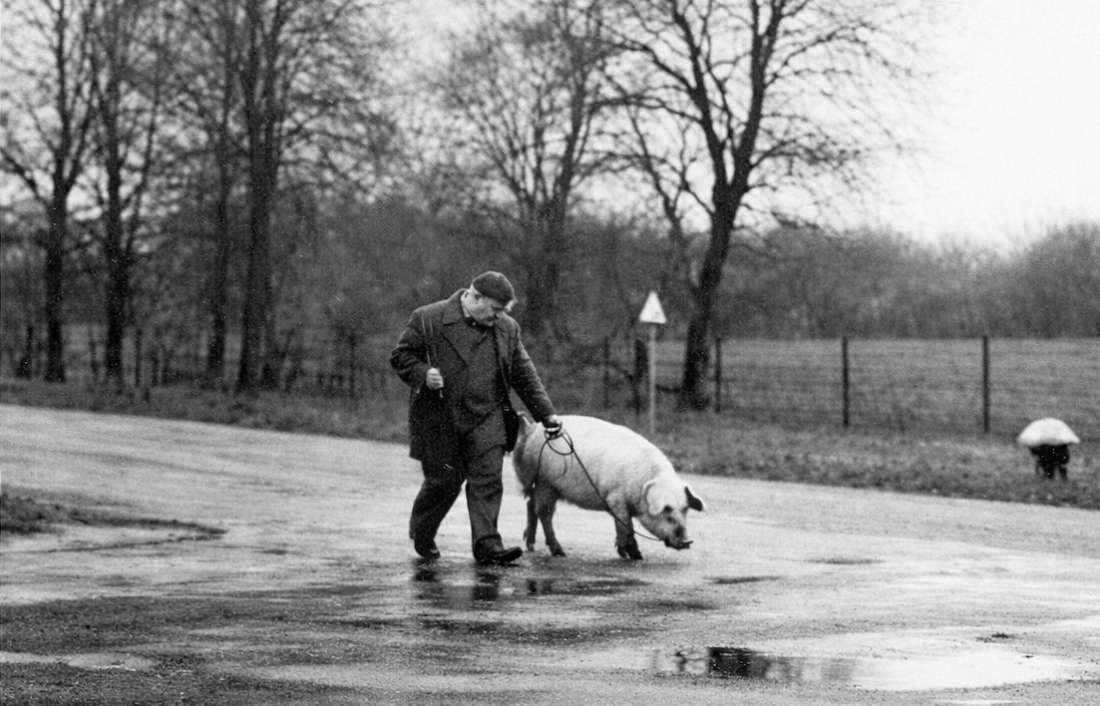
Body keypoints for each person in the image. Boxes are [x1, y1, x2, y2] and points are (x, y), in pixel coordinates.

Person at [390, 271, 561, 565]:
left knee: (487, 480)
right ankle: (423, 530)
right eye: (495, 310)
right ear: (475, 297)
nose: (499, 317)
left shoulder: (508, 329)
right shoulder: (429, 318)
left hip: (488, 417)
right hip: (440, 418)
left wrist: (547, 415)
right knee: (443, 483)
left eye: (504, 311)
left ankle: (487, 545)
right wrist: (422, 373)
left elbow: (524, 374)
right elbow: (401, 356)